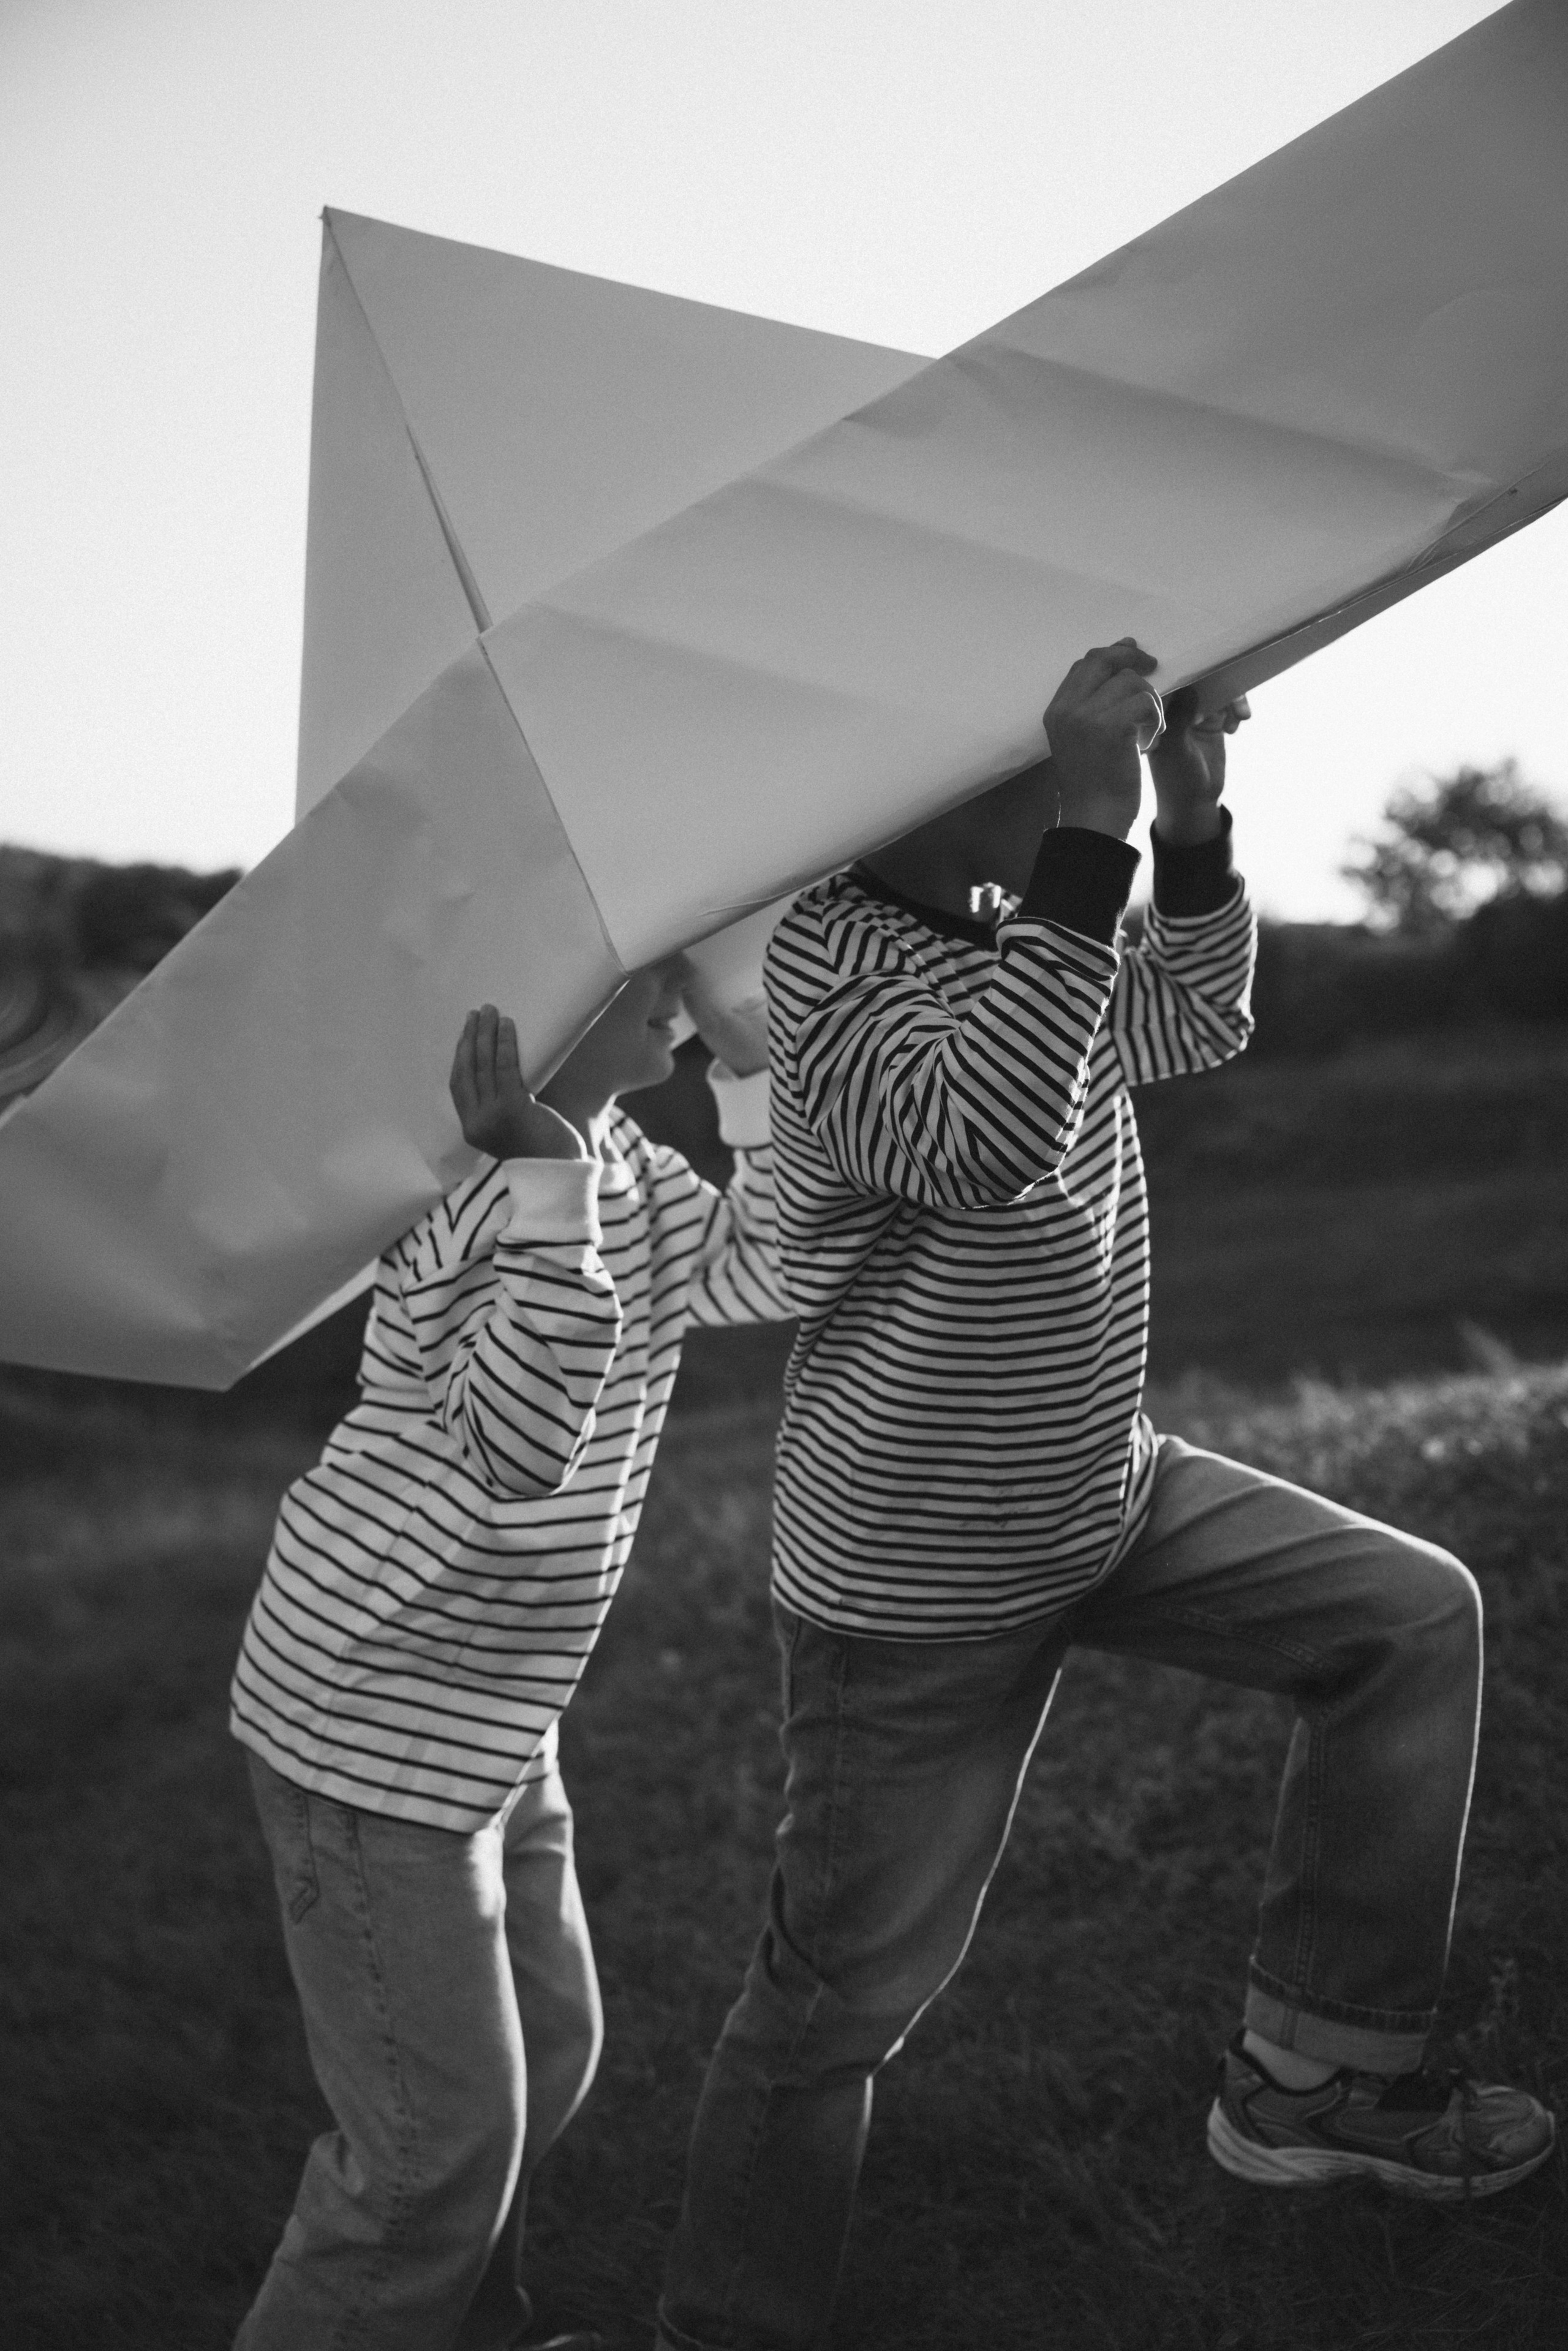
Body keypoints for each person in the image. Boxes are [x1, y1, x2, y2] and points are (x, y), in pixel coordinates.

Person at [654, 641, 1556, 2351]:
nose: (1094, 773)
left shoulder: (1013, 909)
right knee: (840, 1996)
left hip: (1102, 1495)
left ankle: (1318, 2077)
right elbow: (982, 1130)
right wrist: (1086, 836)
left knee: (1409, 1614)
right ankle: (721, 2323)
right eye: (1057, 757)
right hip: (913, 1584)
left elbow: (1191, 1012)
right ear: (941, 782)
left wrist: (1194, 831)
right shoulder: (822, 966)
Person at [230, 959, 788, 2351]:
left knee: (548, 2047)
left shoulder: (611, 1159)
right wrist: (544, 1182)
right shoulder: (466, 1190)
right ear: (522, 1005)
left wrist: (747, 1073)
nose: (673, 974)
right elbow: (517, 1443)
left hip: (487, 1713)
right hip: (369, 1713)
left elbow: (772, 1260)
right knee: (426, 2157)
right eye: (634, 963)